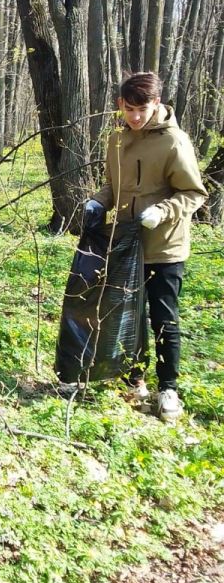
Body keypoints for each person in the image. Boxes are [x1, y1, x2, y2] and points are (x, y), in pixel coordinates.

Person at [87, 72, 207, 422]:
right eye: (129, 109)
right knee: (129, 315)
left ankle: (168, 388)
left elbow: (194, 193)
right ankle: (134, 379)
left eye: (142, 108)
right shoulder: (116, 140)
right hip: (126, 243)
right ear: (120, 106)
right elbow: (113, 186)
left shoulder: (174, 142)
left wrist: (163, 211)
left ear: (156, 103)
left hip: (164, 246)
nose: (135, 116)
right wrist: (97, 202)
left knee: (163, 318)